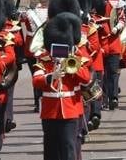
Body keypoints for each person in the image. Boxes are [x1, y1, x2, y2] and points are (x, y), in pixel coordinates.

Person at [32, 14, 90, 160]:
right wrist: (52, 76)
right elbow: (36, 80)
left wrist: (70, 65)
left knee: (68, 147)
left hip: (70, 110)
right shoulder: (44, 60)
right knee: (50, 149)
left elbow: (86, 78)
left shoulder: (75, 58)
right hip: (49, 111)